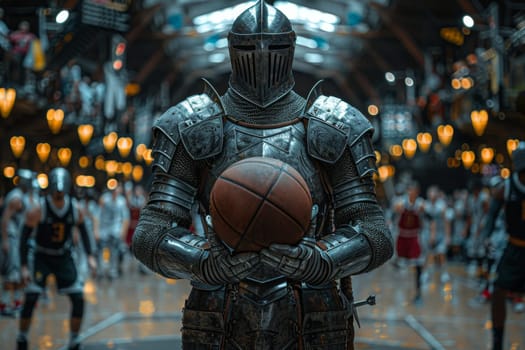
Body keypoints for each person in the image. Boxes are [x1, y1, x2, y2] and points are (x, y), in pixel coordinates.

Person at [131, 2, 393, 348]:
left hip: (312, 311)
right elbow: (151, 232)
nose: (262, 56)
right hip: (220, 310)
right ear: (231, 49)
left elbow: (374, 231)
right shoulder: (192, 125)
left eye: (275, 47)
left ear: (291, 48)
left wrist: (322, 259)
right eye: (249, 48)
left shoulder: (334, 124)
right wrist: (203, 261)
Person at [16, 167, 97, 350]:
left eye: (61, 190)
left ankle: (74, 339)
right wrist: (23, 266)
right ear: (51, 189)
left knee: (78, 297)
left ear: (67, 188)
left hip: (63, 256)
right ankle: (22, 338)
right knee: (31, 297)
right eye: (56, 190)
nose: (59, 193)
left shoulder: (75, 208)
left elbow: (85, 232)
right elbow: (23, 237)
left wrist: (91, 256)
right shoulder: (38, 208)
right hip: (41, 255)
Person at [483, 143, 525, 350]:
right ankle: (497, 342)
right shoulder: (506, 187)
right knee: (498, 291)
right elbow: (491, 215)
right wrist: (486, 236)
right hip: (515, 246)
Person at [0, 169, 37, 316]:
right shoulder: (15, 197)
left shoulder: (22, 196)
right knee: (11, 273)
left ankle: (15, 304)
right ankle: (3, 305)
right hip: (11, 237)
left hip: (17, 238)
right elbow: (4, 220)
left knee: (17, 274)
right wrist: (5, 241)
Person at [392, 180, 426, 303]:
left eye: (414, 191)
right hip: (402, 236)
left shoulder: (421, 203)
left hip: (414, 237)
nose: (412, 193)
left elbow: (425, 211)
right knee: (400, 265)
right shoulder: (401, 202)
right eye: (410, 190)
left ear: (417, 192)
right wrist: (397, 209)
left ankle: (418, 292)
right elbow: (395, 209)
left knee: (418, 265)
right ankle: (400, 293)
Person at [97, 182, 129, 280]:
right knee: (100, 251)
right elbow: (97, 214)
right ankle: (100, 271)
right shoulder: (104, 199)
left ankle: (112, 271)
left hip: (115, 229)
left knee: (114, 251)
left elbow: (125, 218)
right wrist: (96, 229)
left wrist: (123, 231)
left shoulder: (121, 201)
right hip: (104, 229)